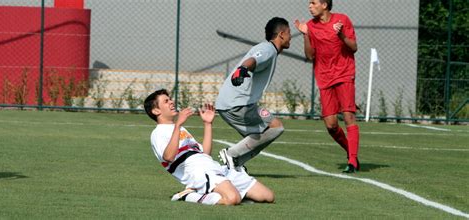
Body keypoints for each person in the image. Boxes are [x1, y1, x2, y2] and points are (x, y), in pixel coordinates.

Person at [144, 89, 274, 205]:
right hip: (198, 172)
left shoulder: (180, 129)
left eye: (170, 99)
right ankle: (188, 196)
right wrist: (177, 125)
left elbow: (205, 153)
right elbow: (168, 157)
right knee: (232, 199)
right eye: (166, 101)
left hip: (213, 166)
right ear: (156, 110)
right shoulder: (158, 133)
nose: (171, 102)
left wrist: (207, 124)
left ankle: (215, 191)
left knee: (267, 196)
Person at [215, 17, 291, 170]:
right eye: (289, 33)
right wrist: (242, 70)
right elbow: (252, 60)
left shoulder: (268, 49)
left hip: (232, 103)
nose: (291, 37)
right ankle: (232, 155)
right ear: (281, 34)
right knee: (275, 127)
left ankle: (236, 164)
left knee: (258, 137)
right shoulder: (268, 49)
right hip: (238, 104)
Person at [294, 0, 360, 173]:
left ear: (324, 5)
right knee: (331, 125)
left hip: (345, 73)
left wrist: (341, 36)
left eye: (313, 3)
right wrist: (305, 35)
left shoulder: (342, 20)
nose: (309, 6)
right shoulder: (310, 26)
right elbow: (309, 56)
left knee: (348, 117)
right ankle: (350, 153)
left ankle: (352, 161)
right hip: (324, 77)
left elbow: (354, 47)